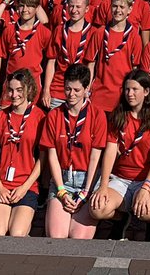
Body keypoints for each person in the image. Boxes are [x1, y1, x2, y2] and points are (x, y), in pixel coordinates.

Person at [76, 68, 150, 238]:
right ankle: (121, 217)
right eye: (126, 89)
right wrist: (103, 185)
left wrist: (146, 188)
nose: (130, 94)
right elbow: (110, 152)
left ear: (146, 92)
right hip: (120, 178)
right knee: (97, 209)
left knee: (148, 211)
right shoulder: (118, 116)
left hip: (146, 180)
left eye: (134, 89)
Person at [40, 63, 107, 239]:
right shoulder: (54, 115)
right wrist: (61, 190)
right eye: (68, 89)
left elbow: (95, 158)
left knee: (78, 239)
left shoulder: (97, 115)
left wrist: (86, 193)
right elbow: (52, 155)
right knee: (57, 237)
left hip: (87, 179)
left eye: (77, 90)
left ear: (87, 89)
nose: (71, 95)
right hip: (62, 179)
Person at [0, 69, 44, 237]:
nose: (14, 94)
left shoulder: (40, 117)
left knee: (16, 233)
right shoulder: (1, 116)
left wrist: (24, 188)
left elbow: (43, 158)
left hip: (26, 185)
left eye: (19, 90)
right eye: (11, 90)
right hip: (2, 183)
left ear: (29, 90)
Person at [43, 0, 101, 108]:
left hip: (80, 90)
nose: (74, 10)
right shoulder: (59, 30)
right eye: (71, 6)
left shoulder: (93, 32)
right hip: (59, 89)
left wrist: (86, 89)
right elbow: (51, 61)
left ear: (87, 9)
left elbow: (91, 64)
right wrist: (46, 90)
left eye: (78, 7)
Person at [89, 0, 144, 113]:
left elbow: (135, 69)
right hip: (99, 95)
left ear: (129, 9)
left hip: (122, 96)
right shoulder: (100, 33)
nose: (118, 10)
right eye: (114, 6)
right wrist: (87, 89)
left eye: (122, 7)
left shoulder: (134, 37)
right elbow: (91, 64)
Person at [1, 0, 52, 105]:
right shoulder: (9, 31)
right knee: (6, 117)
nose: (25, 10)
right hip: (11, 83)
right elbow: (4, 58)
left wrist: (46, 89)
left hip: (33, 84)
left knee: (31, 119)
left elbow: (49, 60)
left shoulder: (44, 32)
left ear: (37, 8)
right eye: (21, 6)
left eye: (29, 6)